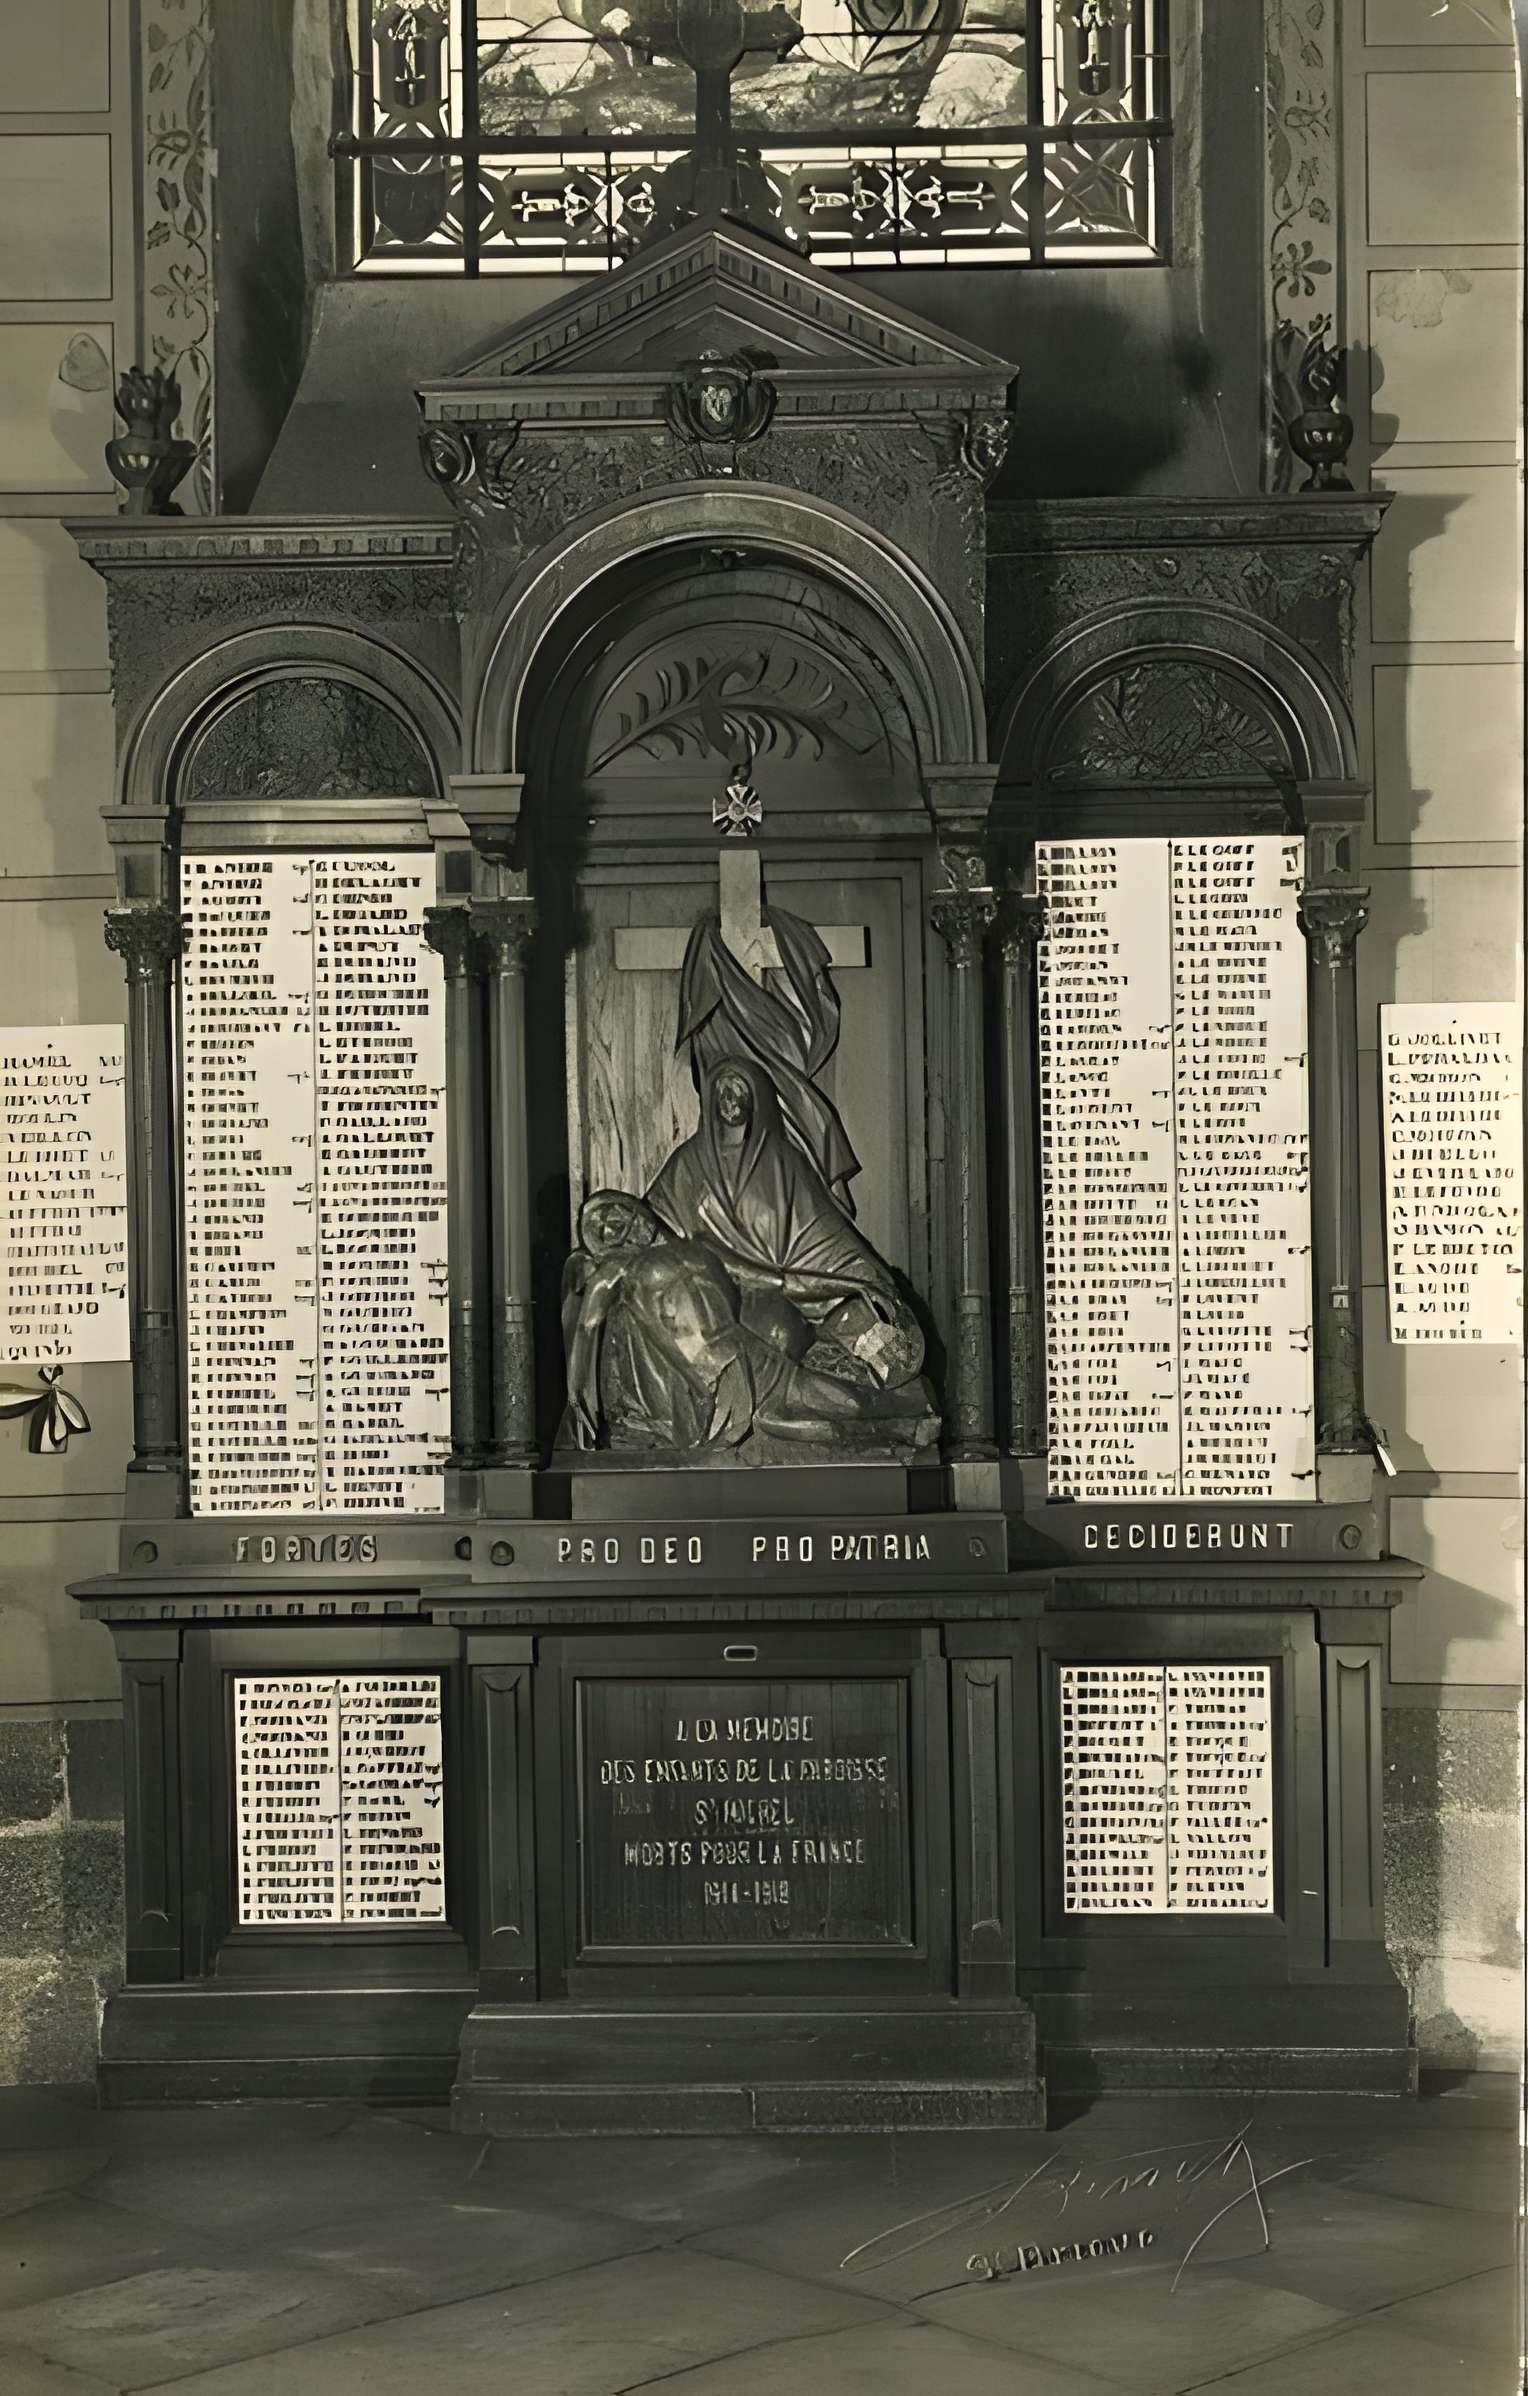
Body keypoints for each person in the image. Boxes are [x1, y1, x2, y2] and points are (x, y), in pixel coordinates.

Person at [561, 1190, 937, 1458]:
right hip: (709, 1383)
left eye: (616, 1210)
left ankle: (906, 1416)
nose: (614, 1223)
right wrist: (577, 1401)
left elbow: (779, 1281)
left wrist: (851, 1285)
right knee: (801, 1423)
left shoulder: (701, 1245)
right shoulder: (618, 1269)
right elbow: (585, 1328)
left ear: (635, 1206)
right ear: (603, 1246)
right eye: (601, 1227)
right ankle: (890, 1432)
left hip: (752, 1355)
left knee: (846, 1402)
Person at [644, 1056, 926, 1389]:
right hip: (712, 1294)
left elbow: (821, 1236)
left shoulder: (783, 1162)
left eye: (739, 1090)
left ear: (756, 1099)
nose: (730, 1100)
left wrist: (867, 1278)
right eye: (722, 1091)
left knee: (805, 1333)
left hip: (783, 1290)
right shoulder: (687, 1164)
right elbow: (651, 1227)